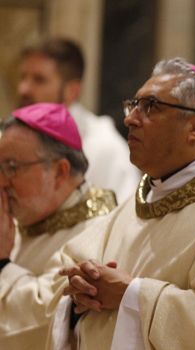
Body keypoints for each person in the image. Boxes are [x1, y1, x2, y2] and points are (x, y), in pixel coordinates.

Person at [46, 58, 195, 350]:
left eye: (151, 107)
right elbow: (67, 272)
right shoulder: (137, 203)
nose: (131, 119)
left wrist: (131, 295)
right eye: (133, 105)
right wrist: (79, 294)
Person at [0, 103, 117, 349]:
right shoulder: (25, 216)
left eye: (11, 168)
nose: (1, 181)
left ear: (59, 172)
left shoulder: (96, 231)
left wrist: (2, 263)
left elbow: (45, 321)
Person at [18, 37, 139, 202]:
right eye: (23, 77)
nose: (23, 89)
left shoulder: (106, 149)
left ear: (72, 91)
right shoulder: (9, 137)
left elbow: (123, 222)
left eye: (39, 80)